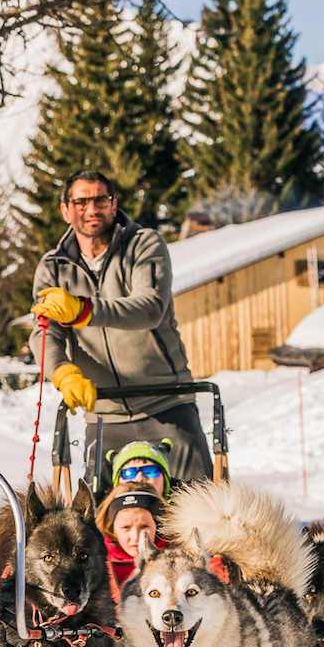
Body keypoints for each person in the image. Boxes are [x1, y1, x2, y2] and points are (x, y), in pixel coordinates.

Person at [30, 169, 212, 486]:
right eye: (81, 201)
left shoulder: (144, 245)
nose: (91, 209)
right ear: (65, 210)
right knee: (98, 526)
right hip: (103, 415)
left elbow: (150, 308)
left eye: (101, 199)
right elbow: (44, 334)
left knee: (197, 512)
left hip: (168, 404)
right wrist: (61, 372)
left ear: (114, 205)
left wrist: (83, 309)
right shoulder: (52, 267)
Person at [97, 482, 168, 591]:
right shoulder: (98, 563)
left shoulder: (177, 559)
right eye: (126, 527)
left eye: (144, 526)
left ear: (158, 527)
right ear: (112, 529)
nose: (136, 537)